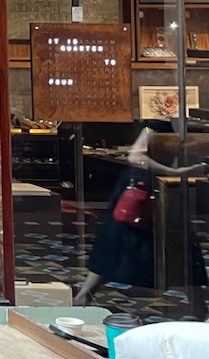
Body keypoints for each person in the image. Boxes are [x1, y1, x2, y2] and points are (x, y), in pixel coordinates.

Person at [73, 124, 209, 308]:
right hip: (142, 190)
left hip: (164, 189)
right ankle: (84, 295)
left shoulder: (184, 127)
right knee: (120, 244)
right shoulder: (155, 125)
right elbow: (135, 156)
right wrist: (173, 172)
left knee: (181, 246)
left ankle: (199, 306)